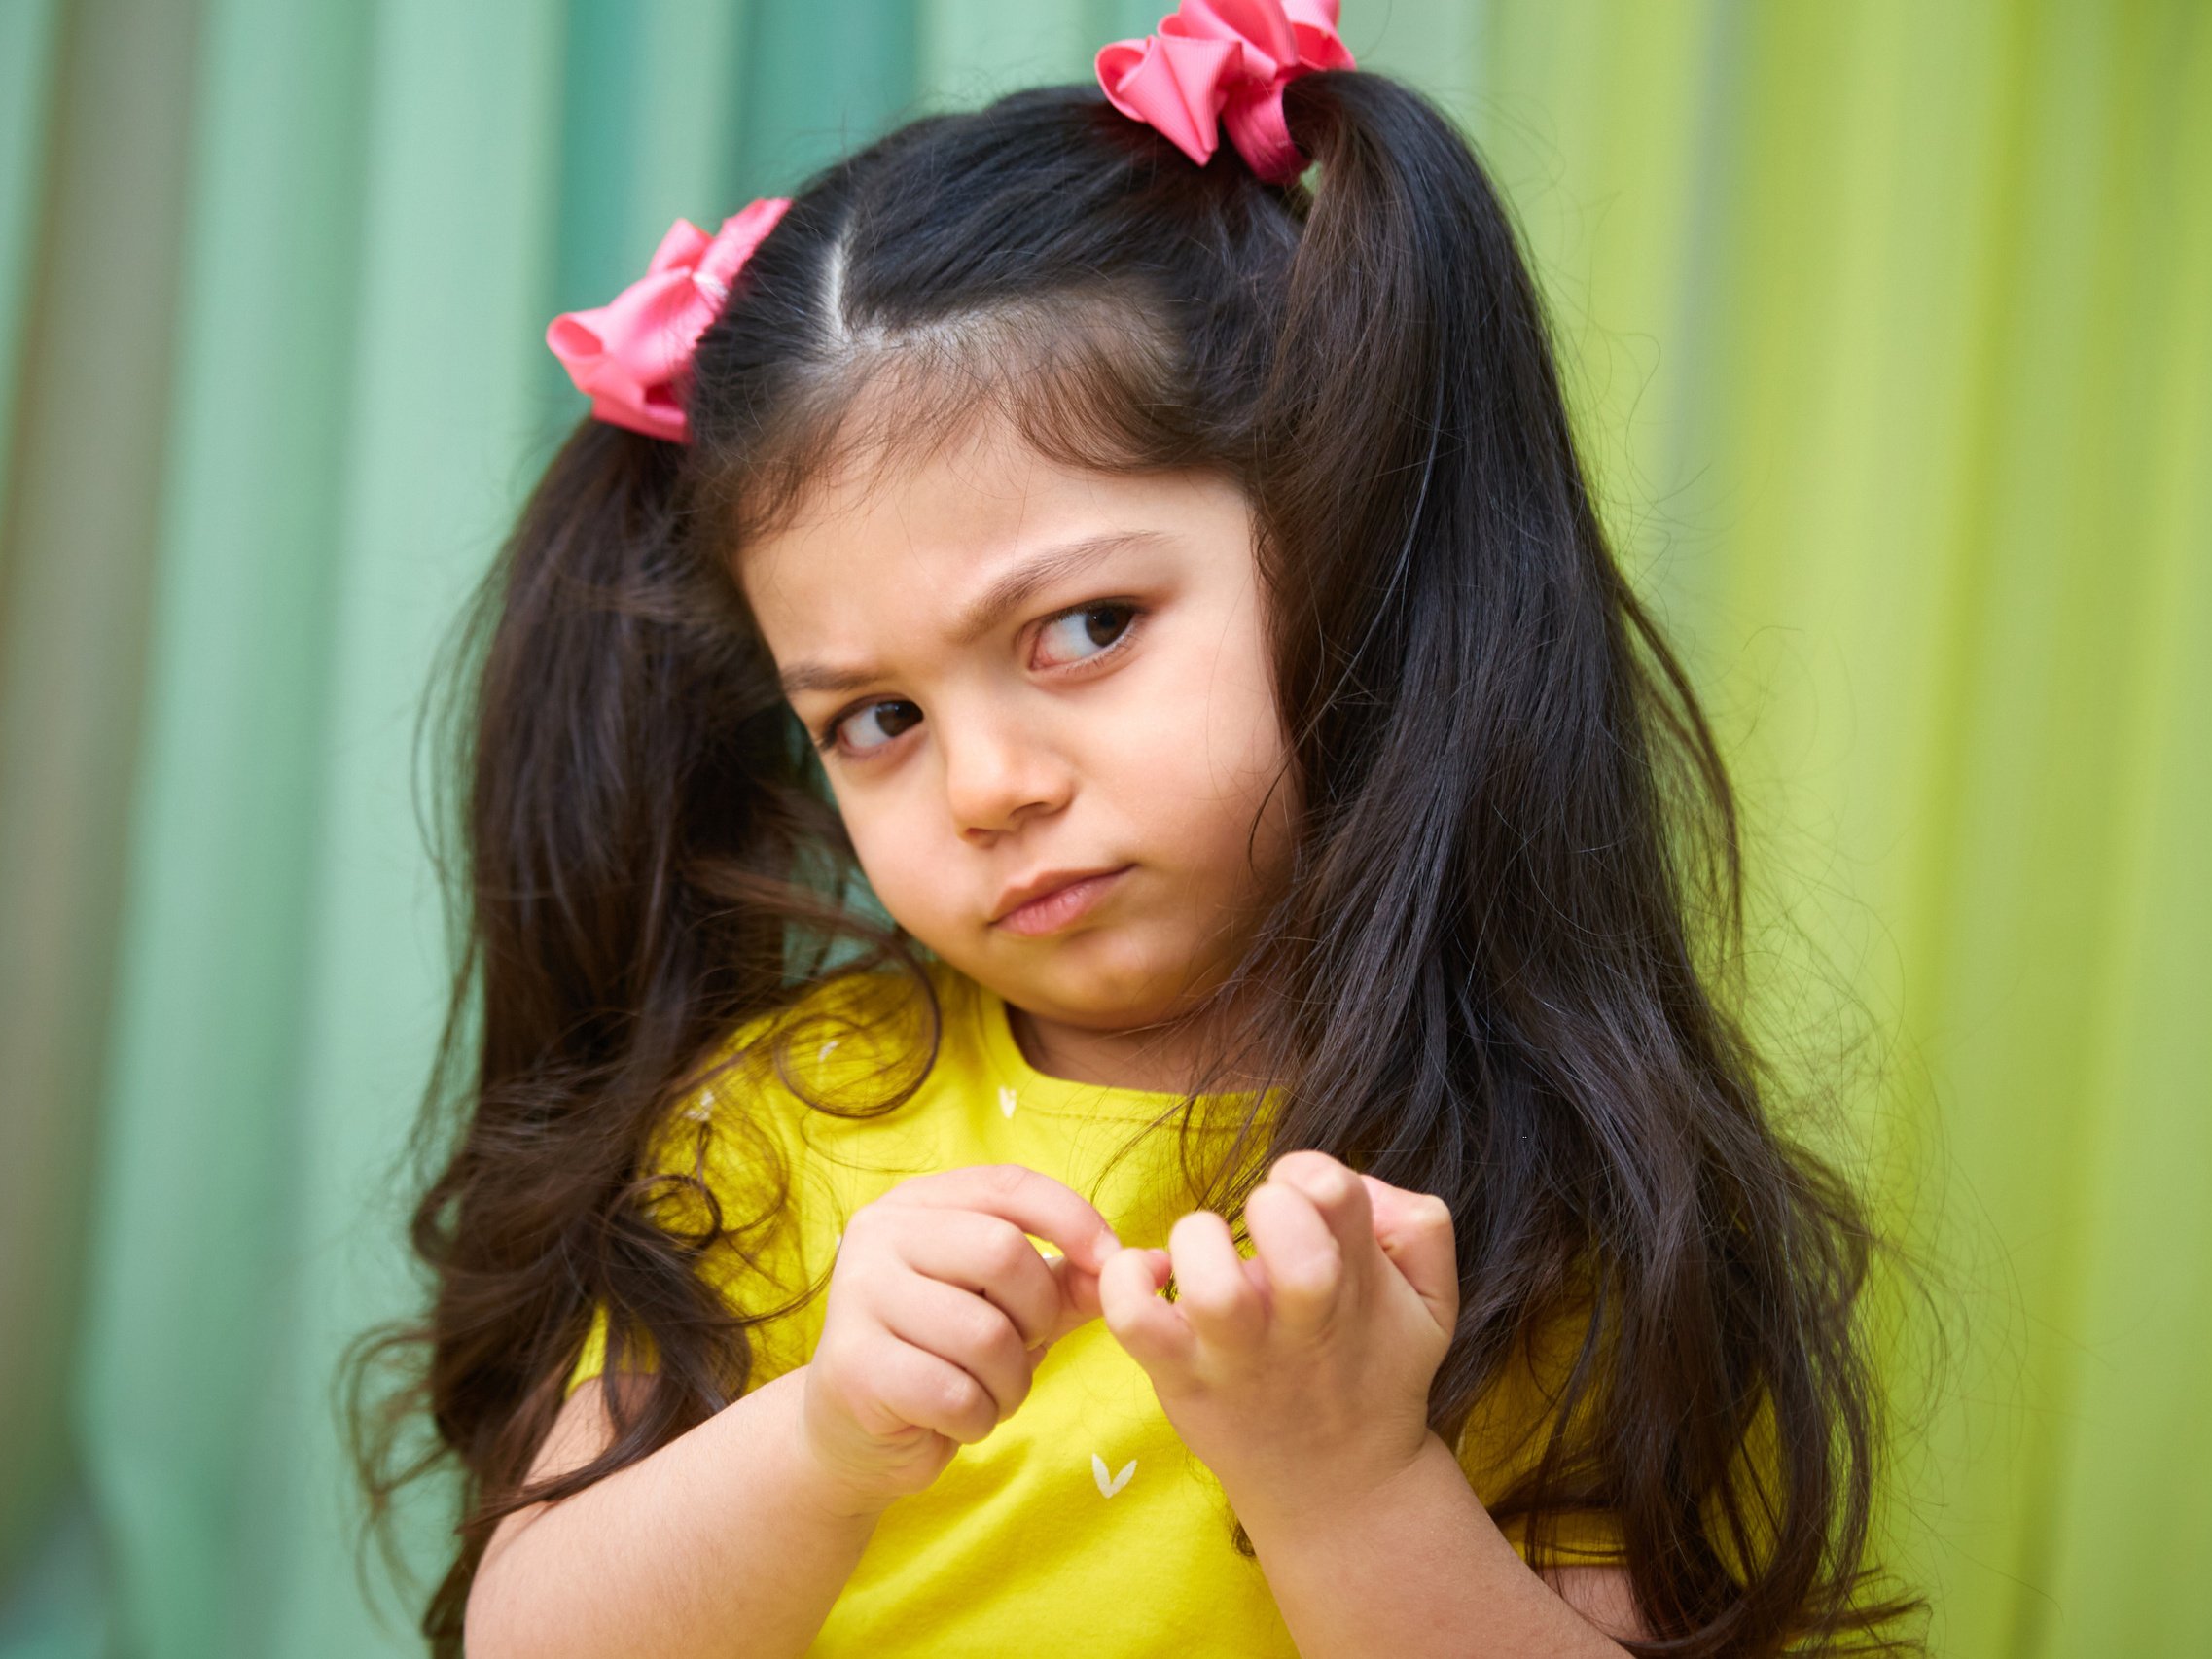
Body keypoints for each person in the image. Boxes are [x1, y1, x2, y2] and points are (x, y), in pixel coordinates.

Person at [360, 3, 1911, 1653]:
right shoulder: (783, 1129)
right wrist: (819, 1440)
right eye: (877, 720)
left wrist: (1351, 1482)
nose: (988, 786)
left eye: (1087, 626)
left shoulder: (1542, 1180)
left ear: (1344, 536)